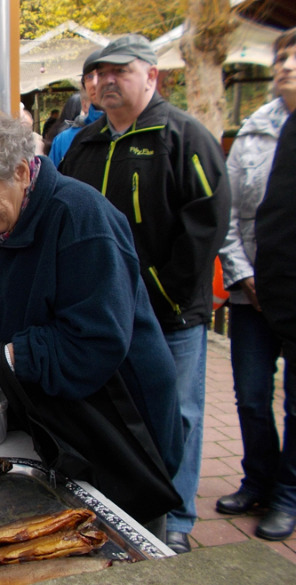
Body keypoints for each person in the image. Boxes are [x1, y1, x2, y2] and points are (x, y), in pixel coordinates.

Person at [0, 107, 183, 537]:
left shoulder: (82, 218)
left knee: (125, 546)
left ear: (19, 172)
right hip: (53, 420)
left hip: (117, 429)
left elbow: (94, 343)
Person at [58, 34, 231, 554]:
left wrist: (165, 297)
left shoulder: (182, 137)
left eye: (120, 71)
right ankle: (126, 507)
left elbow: (206, 227)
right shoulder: (85, 145)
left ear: (152, 76)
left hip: (171, 316)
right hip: (105, 321)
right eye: (98, 73)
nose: (106, 81)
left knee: (177, 415)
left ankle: (176, 516)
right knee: (119, 415)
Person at [217, 27, 296, 541]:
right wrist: (245, 275)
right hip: (252, 292)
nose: (286, 66)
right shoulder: (254, 128)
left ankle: (288, 496)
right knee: (249, 395)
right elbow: (226, 211)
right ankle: (257, 480)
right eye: (282, 58)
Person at [49, 49, 104, 167]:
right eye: (89, 76)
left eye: (101, 73)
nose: (95, 82)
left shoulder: (138, 130)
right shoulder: (65, 139)